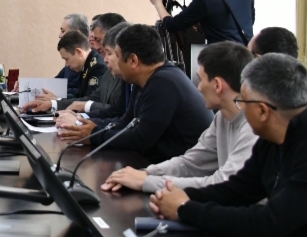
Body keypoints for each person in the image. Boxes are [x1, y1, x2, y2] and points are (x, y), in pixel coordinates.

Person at [149, 53, 307, 237]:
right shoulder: (270, 138)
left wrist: (185, 208)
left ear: (262, 110)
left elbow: (269, 222)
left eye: (243, 101)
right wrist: (181, 196)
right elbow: (237, 190)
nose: (239, 107)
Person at [102, 42, 257, 193]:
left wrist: (146, 182)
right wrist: (145, 173)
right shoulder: (222, 117)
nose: (198, 87)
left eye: (201, 80)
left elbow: (224, 183)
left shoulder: (253, 128)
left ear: (217, 85)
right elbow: (191, 162)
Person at [58, 24, 214, 163]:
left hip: (186, 171)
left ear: (133, 60)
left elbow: (141, 138)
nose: (110, 61)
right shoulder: (145, 78)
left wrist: (94, 135)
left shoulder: (164, 82)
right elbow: (126, 121)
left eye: (117, 56)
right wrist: (91, 128)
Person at [21, 31, 107, 113]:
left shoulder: (97, 67)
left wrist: (57, 101)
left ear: (79, 52)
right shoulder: (86, 64)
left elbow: (90, 101)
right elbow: (78, 96)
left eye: (67, 59)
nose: (67, 64)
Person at [65, 13, 126, 113]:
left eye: (98, 40)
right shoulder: (108, 73)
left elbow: (119, 112)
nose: (95, 46)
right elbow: (94, 98)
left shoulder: (128, 76)